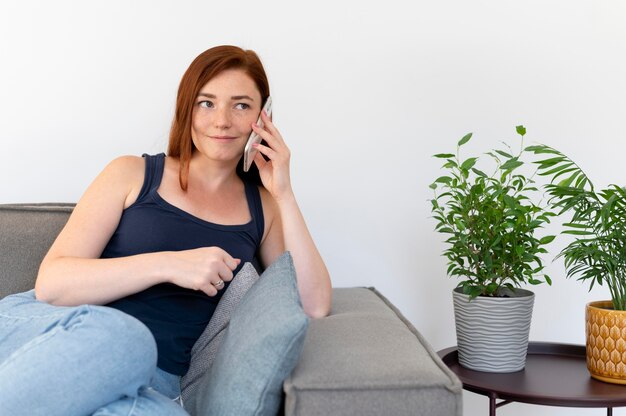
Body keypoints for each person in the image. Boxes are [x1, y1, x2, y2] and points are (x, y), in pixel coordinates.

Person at [0, 45, 332, 415]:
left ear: (264, 118)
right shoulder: (131, 173)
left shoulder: (265, 208)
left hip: (153, 384)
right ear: (186, 109)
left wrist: (284, 192)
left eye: (241, 105)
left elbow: (314, 304)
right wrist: (169, 265)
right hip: (60, 332)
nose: (222, 120)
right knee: (126, 338)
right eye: (206, 103)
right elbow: (52, 284)